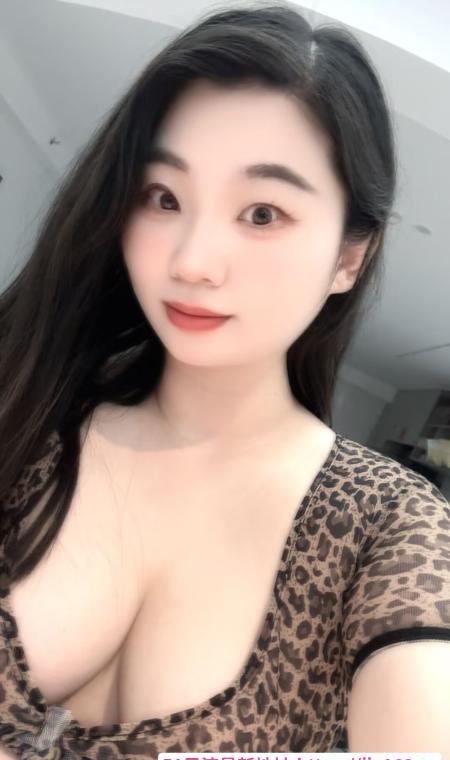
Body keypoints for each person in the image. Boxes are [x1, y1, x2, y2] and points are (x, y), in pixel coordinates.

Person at [0, 2, 449, 757]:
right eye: (163, 197)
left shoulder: (388, 525)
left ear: (349, 258)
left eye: (263, 213)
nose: (191, 261)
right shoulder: (27, 406)